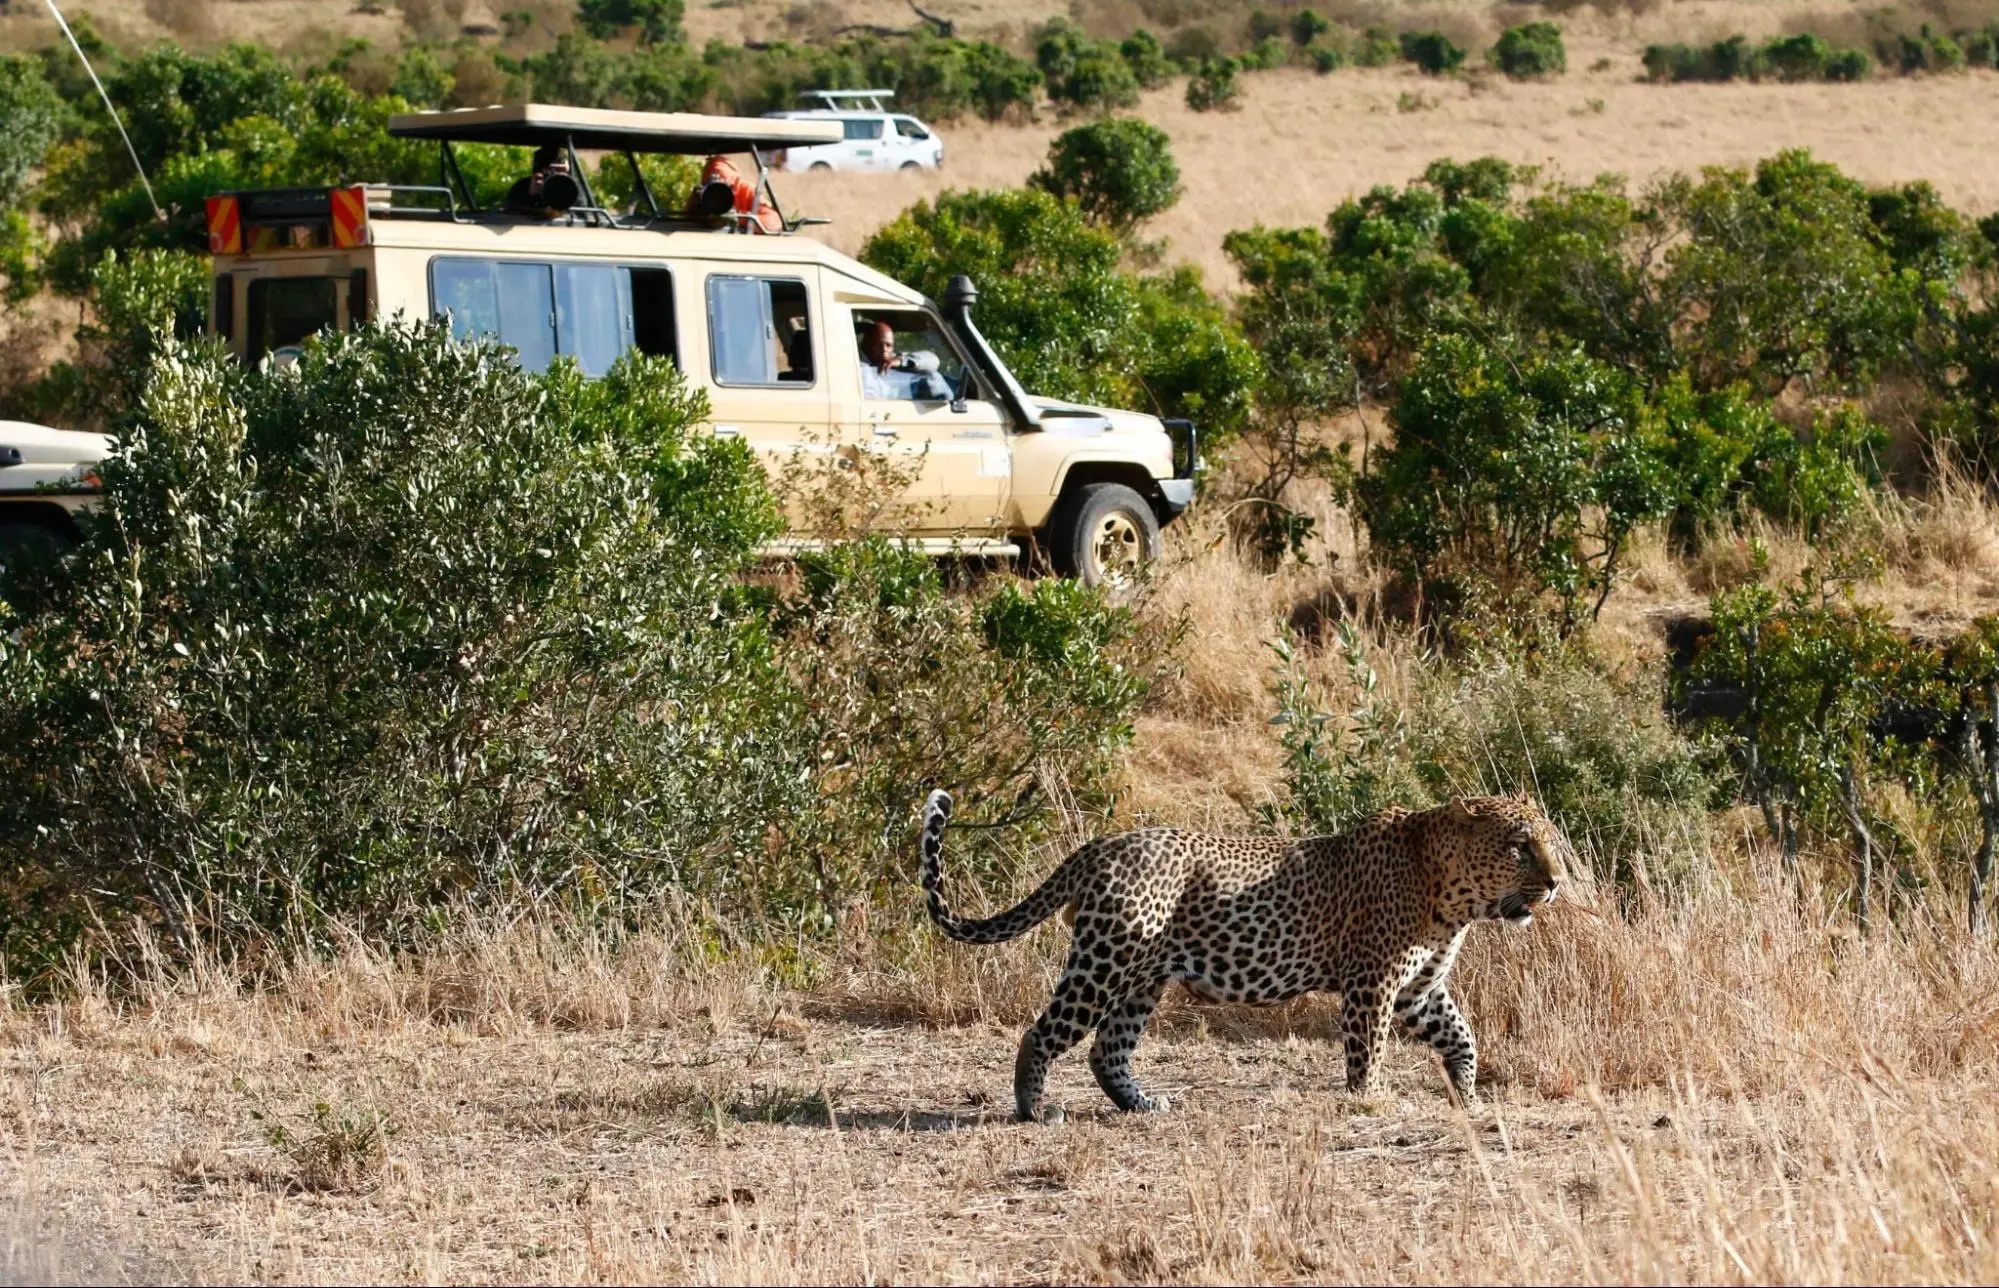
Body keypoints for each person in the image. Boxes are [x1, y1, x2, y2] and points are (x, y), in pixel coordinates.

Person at [859, 320, 950, 400]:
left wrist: (902, 362)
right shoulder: (857, 367)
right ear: (866, 344)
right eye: (878, 344)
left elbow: (934, 361)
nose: (884, 349)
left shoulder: (899, 359)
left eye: (888, 345)